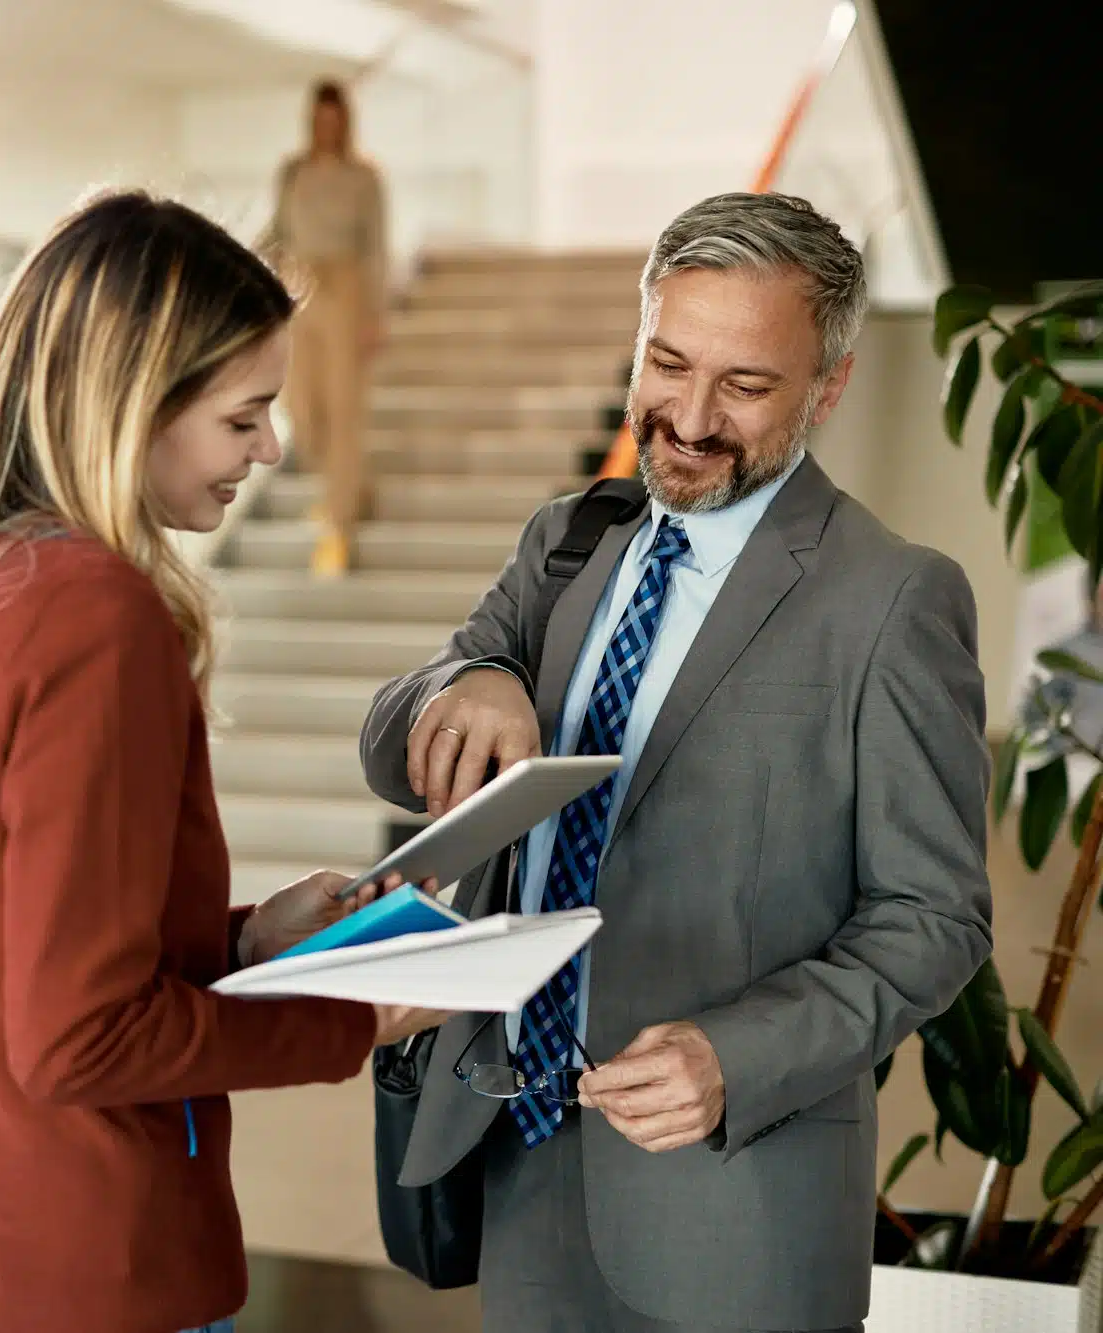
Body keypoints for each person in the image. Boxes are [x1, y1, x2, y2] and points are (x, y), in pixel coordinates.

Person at [359, 192, 993, 1332]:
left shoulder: (892, 599)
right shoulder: (566, 541)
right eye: (666, 362)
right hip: (519, 1152)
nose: (689, 418)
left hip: (734, 1200)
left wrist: (731, 1055)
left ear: (828, 387)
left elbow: (933, 918)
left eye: (744, 386)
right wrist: (465, 682)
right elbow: (386, 737)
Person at [0, 190, 444, 1333]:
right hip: (77, 1275)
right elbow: (79, 1037)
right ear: (134, 407)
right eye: (245, 414)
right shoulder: (90, 618)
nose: (269, 447)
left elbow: (3, 950)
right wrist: (355, 1016)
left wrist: (242, 940)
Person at [261, 79, 388, 580]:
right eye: (320, 119)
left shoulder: (364, 178)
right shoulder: (292, 172)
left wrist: (376, 315)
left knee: (343, 410)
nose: (327, 129)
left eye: (335, 120)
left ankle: (338, 527)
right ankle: (354, 488)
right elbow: (276, 231)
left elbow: (377, 246)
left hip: (346, 288)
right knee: (302, 410)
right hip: (299, 289)